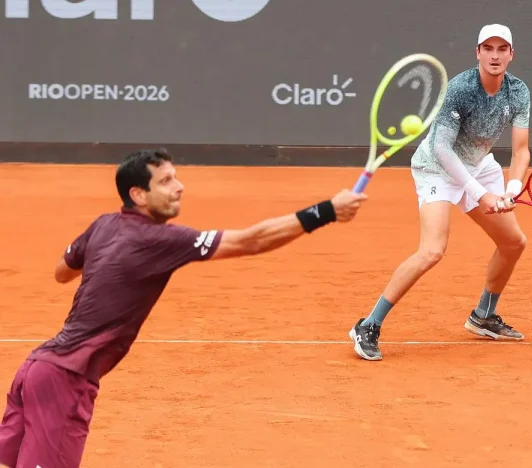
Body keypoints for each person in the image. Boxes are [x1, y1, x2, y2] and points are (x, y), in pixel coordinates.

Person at [0, 148, 367, 468]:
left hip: (34, 371)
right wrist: (327, 211)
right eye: (166, 181)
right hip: (65, 382)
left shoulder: (105, 224)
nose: (180, 186)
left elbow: (62, 272)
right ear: (138, 195)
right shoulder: (160, 239)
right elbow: (251, 241)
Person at [349, 24, 532, 361]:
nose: (494, 55)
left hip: (478, 164)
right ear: (477, 53)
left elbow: (521, 151)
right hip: (437, 167)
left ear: (511, 54)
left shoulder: (518, 91)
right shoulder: (460, 89)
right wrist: (480, 193)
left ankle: (483, 316)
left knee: (513, 242)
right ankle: (368, 324)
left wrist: (511, 188)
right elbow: (444, 150)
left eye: (501, 49)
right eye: (488, 48)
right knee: (432, 250)